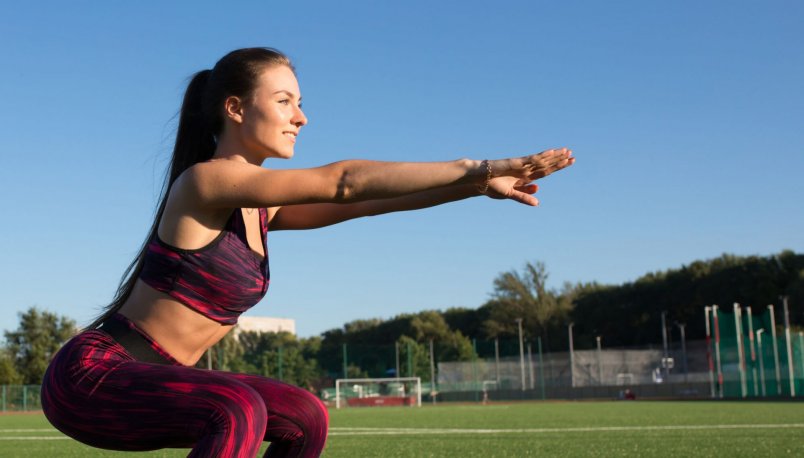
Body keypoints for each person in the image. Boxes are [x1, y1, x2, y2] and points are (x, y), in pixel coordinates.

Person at [40, 47, 575, 457]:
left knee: (306, 414)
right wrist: (477, 165)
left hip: (160, 381)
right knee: (237, 406)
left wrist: (477, 187)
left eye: (300, 103)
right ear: (235, 108)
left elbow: (365, 202)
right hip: (93, 380)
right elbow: (343, 182)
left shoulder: (261, 209)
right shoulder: (204, 184)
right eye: (285, 101)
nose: (301, 117)